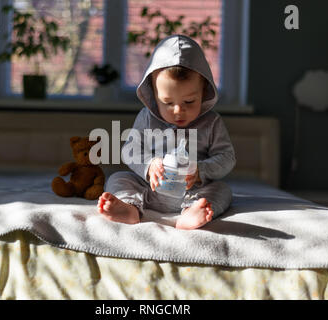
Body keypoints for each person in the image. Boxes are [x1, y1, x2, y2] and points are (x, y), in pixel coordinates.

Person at [97, 34, 236, 229]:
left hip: (193, 191)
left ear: (203, 92)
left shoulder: (212, 123)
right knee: (118, 178)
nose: (179, 110)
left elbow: (227, 157)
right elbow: (130, 150)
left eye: (189, 102)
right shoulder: (147, 118)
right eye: (168, 103)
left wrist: (200, 171)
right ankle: (130, 208)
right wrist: (149, 165)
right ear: (153, 94)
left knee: (223, 190)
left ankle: (191, 213)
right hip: (149, 189)